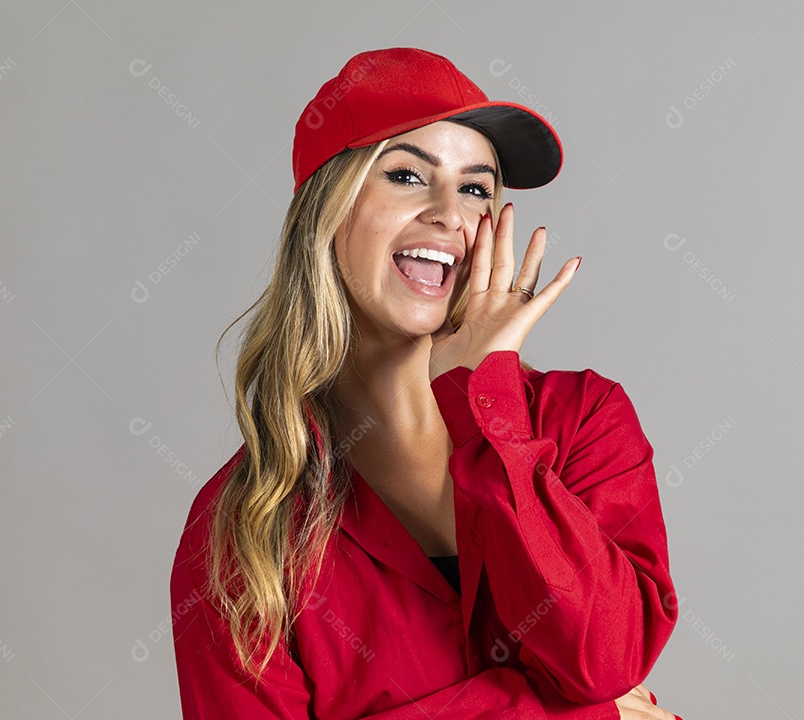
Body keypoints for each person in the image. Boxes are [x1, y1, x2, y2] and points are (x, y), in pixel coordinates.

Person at [170, 47, 683, 719]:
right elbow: (599, 695)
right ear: (328, 211)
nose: (449, 213)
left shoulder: (584, 420)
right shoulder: (245, 528)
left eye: (475, 188)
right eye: (408, 175)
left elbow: (606, 657)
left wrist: (484, 404)